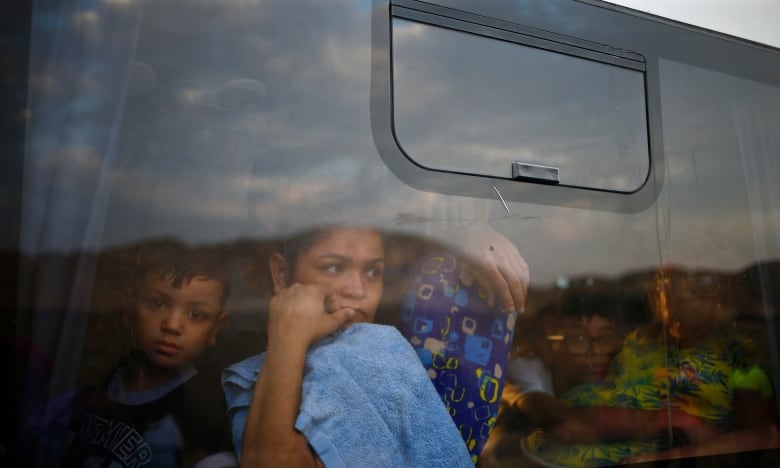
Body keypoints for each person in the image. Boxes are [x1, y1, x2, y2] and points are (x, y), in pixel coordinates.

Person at [221, 224, 529, 466]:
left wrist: (287, 336)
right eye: (333, 267)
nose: (358, 290)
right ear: (282, 273)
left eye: (373, 272)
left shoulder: (374, 349)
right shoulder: (260, 371)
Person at [519, 266, 780, 466]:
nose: (678, 292)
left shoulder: (741, 358)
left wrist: (677, 455)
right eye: (665, 284)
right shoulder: (637, 339)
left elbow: (763, 437)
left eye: (699, 285)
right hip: (547, 445)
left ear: (724, 298)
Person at [24, 239, 236, 467]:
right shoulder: (99, 385)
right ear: (129, 309)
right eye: (157, 303)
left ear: (216, 328)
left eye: (196, 315)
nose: (172, 325)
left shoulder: (205, 409)